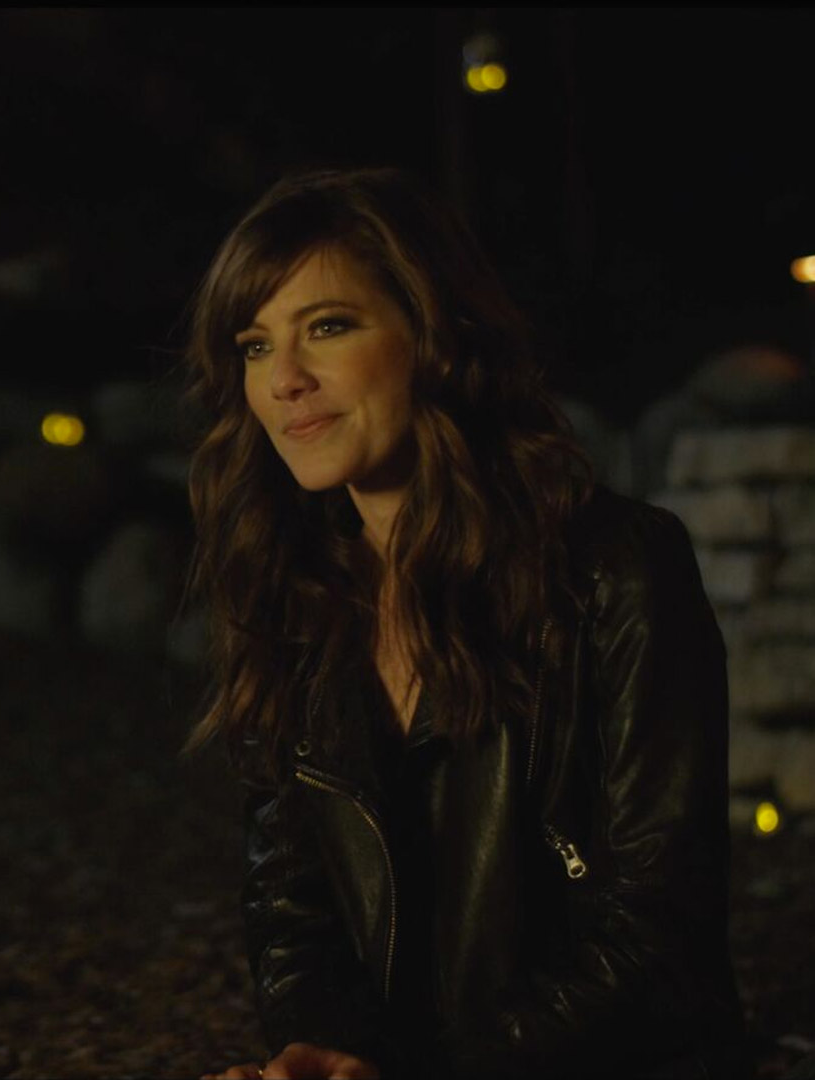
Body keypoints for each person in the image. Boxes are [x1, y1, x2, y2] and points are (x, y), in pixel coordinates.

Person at [182, 169, 747, 1079]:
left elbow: (656, 937)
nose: (284, 380)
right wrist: (319, 1050)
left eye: (328, 327)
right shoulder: (295, 593)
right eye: (253, 345)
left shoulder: (614, 571)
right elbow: (291, 905)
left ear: (435, 337)